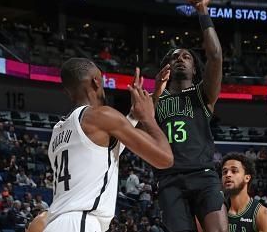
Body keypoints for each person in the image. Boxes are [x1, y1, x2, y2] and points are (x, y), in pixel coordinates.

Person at [43, 58, 173, 232]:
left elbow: (111, 149)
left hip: (56, 223)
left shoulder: (59, 131)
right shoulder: (101, 116)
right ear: (96, 81)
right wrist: (148, 117)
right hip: (80, 223)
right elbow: (165, 158)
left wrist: (154, 96)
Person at [150, 0, 227, 232]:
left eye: (186, 57)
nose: (180, 59)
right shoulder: (154, 99)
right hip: (169, 179)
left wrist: (202, 11)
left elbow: (215, 56)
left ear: (195, 69)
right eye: (174, 58)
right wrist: (154, 92)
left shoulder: (203, 94)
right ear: (167, 68)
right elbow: (141, 132)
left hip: (203, 175)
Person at [221, 153, 267, 232]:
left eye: (234, 171)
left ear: (247, 178)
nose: (228, 175)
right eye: (225, 172)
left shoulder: (263, 214)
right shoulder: (215, 212)